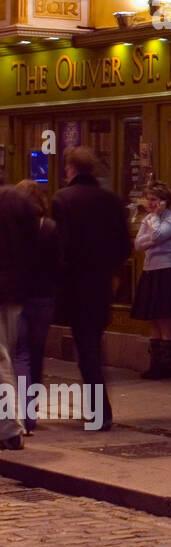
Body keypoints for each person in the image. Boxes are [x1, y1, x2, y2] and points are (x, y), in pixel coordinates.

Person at [52, 146, 131, 432]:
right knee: (92, 345)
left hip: (75, 285)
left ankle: (100, 412)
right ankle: (100, 409)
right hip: (102, 285)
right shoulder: (110, 200)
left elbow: (61, 247)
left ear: (70, 169)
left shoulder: (62, 199)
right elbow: (124, 245)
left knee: (87, 350)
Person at [130, 182, 171, 380]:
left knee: (165, 318)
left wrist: (154, 224)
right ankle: (154, 364)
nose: (150, 203)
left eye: (154, 200)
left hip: (167, 269)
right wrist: (152, 238)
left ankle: (167, 366)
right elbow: (138, 244)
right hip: (150, 270)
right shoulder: (148, 218)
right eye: (149, 199)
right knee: (153, 319)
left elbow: (158, 234)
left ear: (164, 201)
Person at [13, 181, 59, 432]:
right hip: (44, 298)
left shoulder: (14, 228)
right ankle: (32, 411)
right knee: (37, 353)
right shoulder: (49, 227)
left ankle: (23, 416)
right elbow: (57, 264)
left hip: (19, 298)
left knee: (20, 355)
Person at [0, 185, 39, 449]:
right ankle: (10, 426)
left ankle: (9, 427)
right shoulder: (17, 202)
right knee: (5, 358)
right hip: (13, 294)